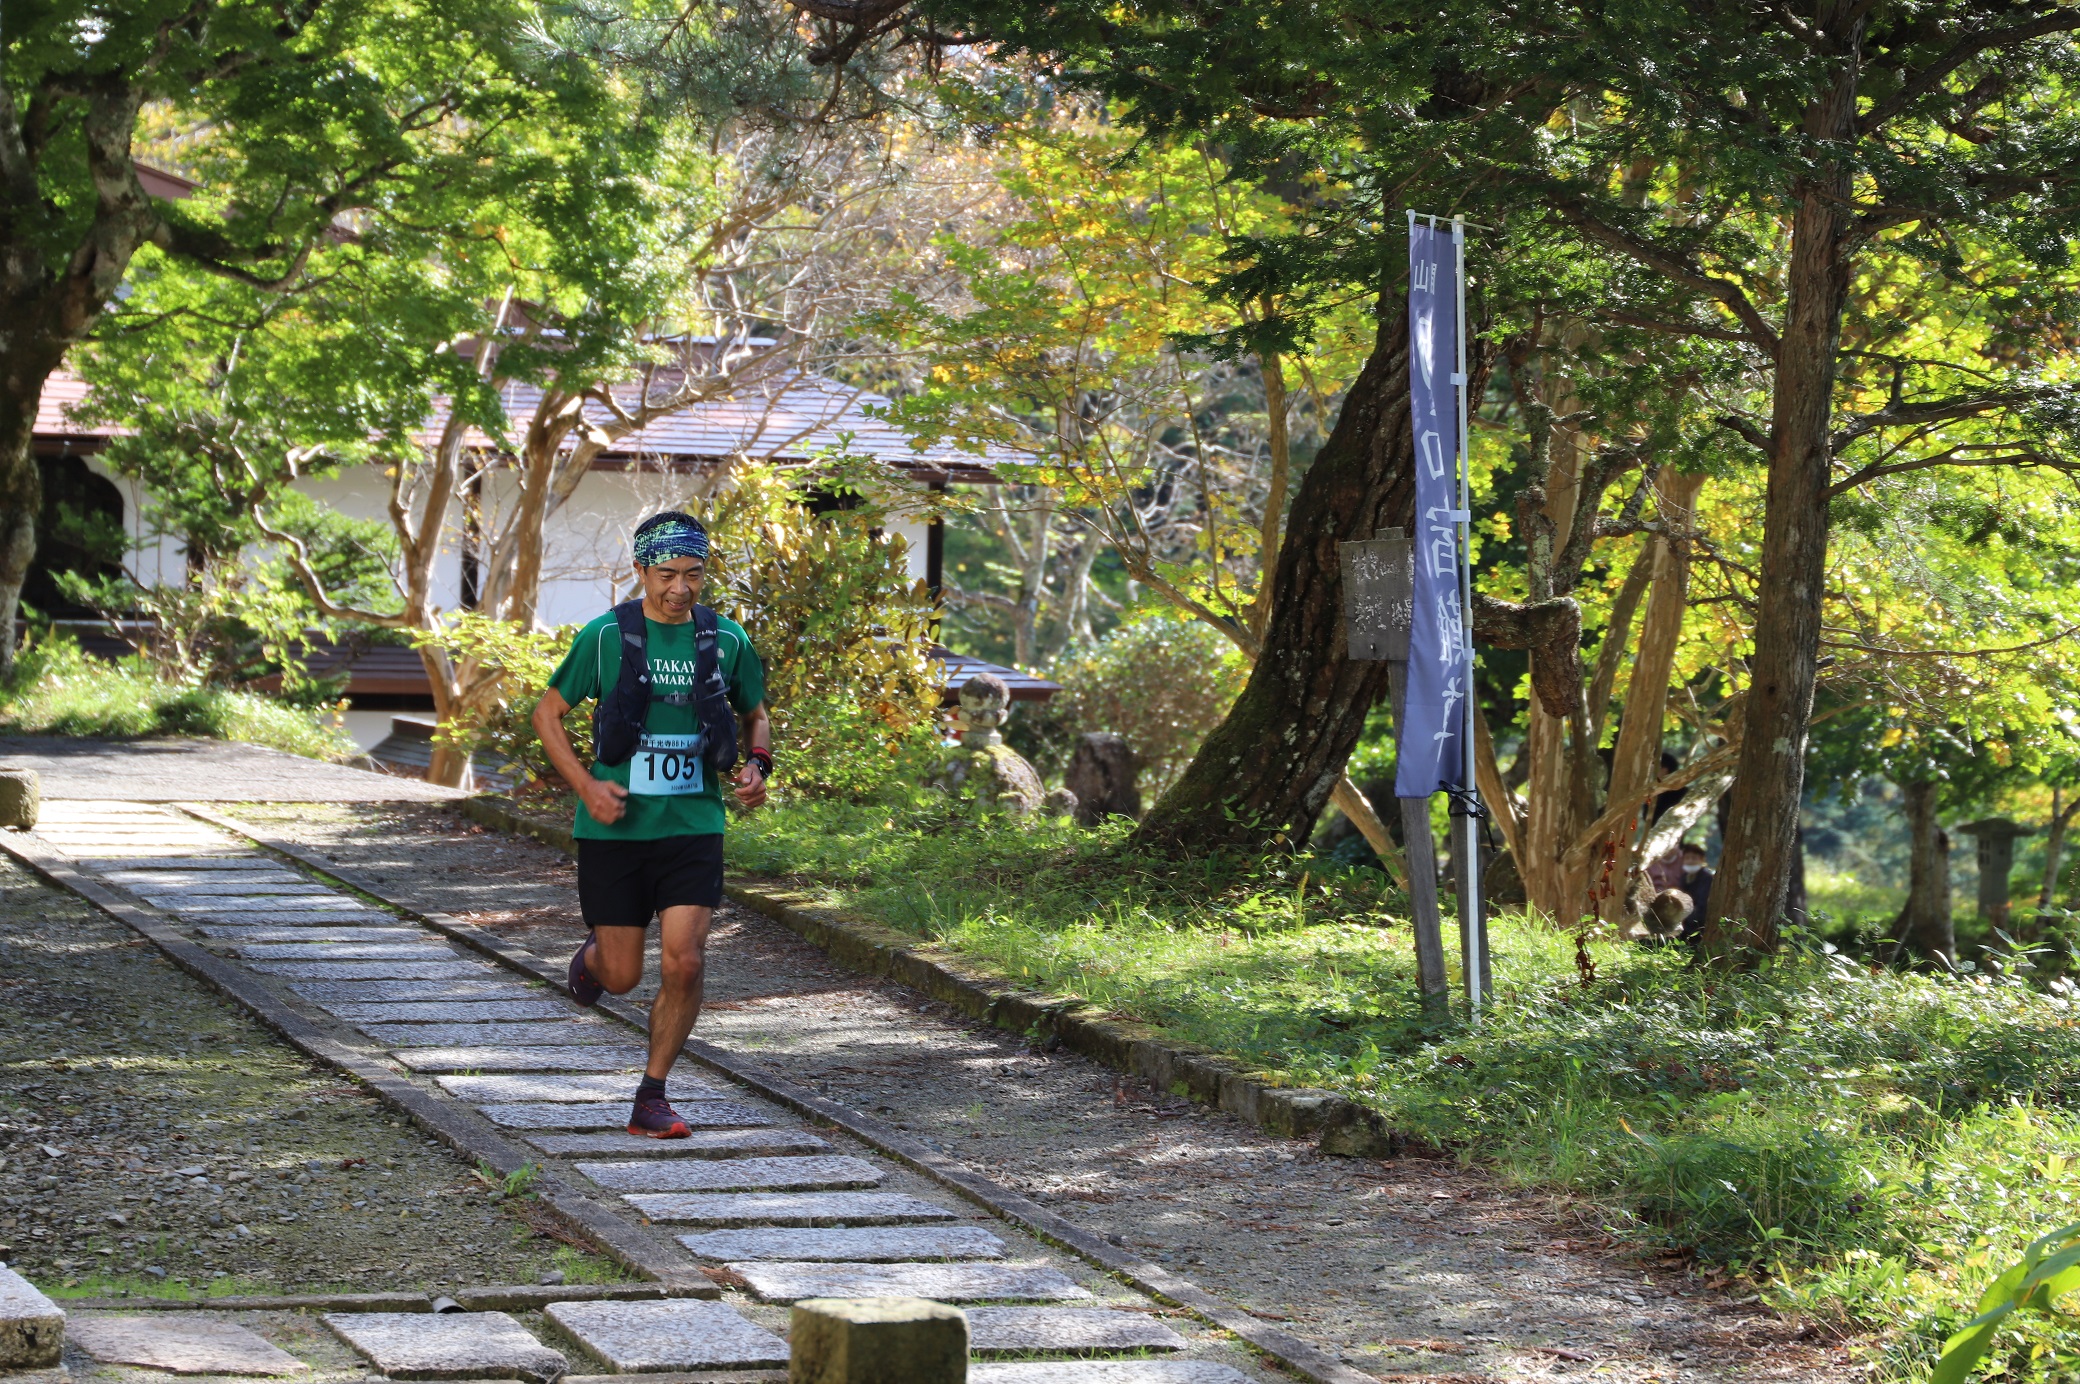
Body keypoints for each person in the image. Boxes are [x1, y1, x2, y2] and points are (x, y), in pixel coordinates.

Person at [530, 511, 771, 1138]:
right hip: (615, 830)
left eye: (693, 574)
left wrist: (757, 765)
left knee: (686, 963)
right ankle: (596, 960)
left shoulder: (727, 640)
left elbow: (756, 714)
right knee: (623, 975)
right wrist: (586, 785)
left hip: (693, 824)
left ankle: (652, 1095)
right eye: (667, 574)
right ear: (640, 571)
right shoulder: (607, 637)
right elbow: (547, 714)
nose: (681, 588)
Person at [1678, 841, 1714, 936]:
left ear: (1702, 860)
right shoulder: (1684, 877)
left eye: (1694, 858)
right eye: (1687, 858)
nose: (1690, 861)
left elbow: (1703, 904)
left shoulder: (1707, 878)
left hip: (1699, 923)